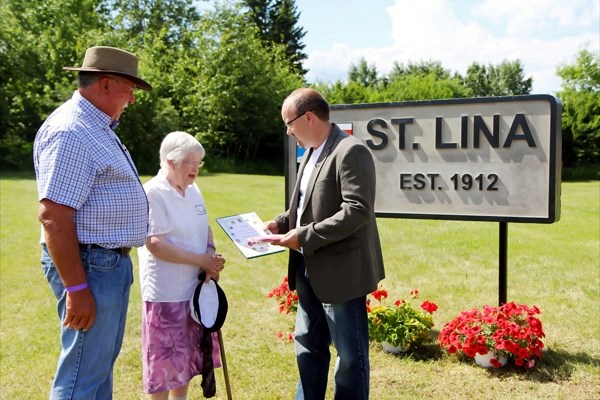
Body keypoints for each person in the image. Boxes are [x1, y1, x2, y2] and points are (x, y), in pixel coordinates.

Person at [34, 46, 153, 399]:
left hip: (104, 263)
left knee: (97, 371)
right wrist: (77, 289)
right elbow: (54, 216)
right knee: (81, 378)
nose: (131, 100)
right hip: (90, 266)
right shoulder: (72, 130)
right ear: (105, 85)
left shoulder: (94, 126)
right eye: (129, 90)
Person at [265, 88, 385, 400]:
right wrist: (282, 222)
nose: (288, 131)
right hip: (307, 268)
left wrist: (303, 236)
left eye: (289, 123)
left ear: (308, 117)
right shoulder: (312, 151)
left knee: (350, 357)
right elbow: (306, 204)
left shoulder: (350, 151)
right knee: (308, 344)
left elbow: (357, 211)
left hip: (341, 273)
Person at [138, 131, 225, 400]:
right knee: (164, 366)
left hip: (195, 292)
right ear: (171, 161)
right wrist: (201, 260)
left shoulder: (193, 190)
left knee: (186, 361)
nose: (196, 168)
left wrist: (210, 258)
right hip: (166, 292)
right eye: (190, 162)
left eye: (199, 162)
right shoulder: (154, 192)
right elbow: (155, 244)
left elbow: (205, 226)